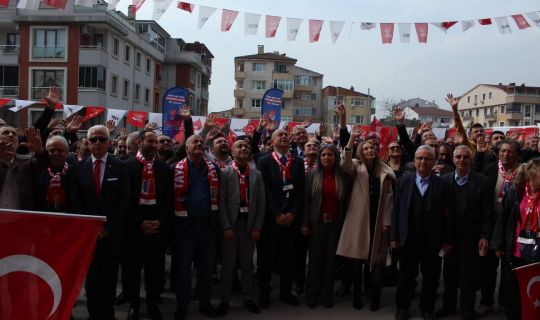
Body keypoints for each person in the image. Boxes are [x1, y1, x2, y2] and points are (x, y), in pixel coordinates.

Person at [69, 125, 130, 320]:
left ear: (109, 142)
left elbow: (125, 199)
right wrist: (91, 227)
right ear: (87, 142)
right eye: (93, 139)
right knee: (92, 279)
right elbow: (75, 199)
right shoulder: (78, 168)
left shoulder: (120, 167)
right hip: (88, 236)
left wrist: (108, 227)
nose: (97, 143)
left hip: (111, 234)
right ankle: (93, 314)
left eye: (102, 139)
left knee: (110, 278)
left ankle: (108, 314)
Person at [391, 145, 453, 320]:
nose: (423, 162)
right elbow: (396, 210)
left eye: (427, 159)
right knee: (405, 277)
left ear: (434, 162)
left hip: (433, 241)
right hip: (408, 239)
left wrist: (447, 240)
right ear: (414, 161)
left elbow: (449, 215)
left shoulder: (442, 184)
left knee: (431, 278)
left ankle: (427, 309)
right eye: (419, 158)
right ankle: (402, 307)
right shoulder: (403, 181)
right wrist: (394, 236)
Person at [337, 136, 396, 311]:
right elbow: (344, 163)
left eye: (373, 148)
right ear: (361, 152)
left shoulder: (385, 170)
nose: (370, 150)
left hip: (378, 221)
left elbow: (388, 199)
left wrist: (387, 221)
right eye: (366, 148)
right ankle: (356, 297)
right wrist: (351, 140)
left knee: (376, 263)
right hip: (358, 221)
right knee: (356, 264)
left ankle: (375, 298)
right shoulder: (356, 166)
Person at [437, 145, 494, 320]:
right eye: (459, 157)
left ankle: (467, 308)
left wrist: (485, 235)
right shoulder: (443, 181)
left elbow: (487, 212)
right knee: (449, 274)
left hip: (472, 236)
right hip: (449, 238)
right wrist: (442, 239)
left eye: (466, 157)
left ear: (471, 160)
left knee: (469, 275)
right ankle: (448, 305)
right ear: (453, 159)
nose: (462, 160)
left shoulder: (483, 182)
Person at [124, 130, 173, 320]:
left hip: (156, 227)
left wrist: (159, 221)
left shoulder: (163, 168)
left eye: (155, 142)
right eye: (150, 141)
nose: (154, 145)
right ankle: (133, 305)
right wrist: (140, 222)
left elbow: (168, 198)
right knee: (132, 269)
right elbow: (125, 199)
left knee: (155, 270)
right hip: (135, 227)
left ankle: (153, 304)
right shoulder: (127, 167)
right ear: (139, 142)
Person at [173, 134, 220, 320]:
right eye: (195, 142)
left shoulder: (213, 168)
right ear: (186, 148)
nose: (199, 144)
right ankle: (182, 305)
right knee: (183, 269)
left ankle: (205, 302)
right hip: (185, 227)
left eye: (202, 142)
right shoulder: (175, 169)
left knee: (207, 268)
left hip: (207, 226)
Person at [256, 129, 305, 308]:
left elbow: (301, 191)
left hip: (291, 220)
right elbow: (265, 190)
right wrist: (277, 213)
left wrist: (292, 213)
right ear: (273, 141)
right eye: (280, 135)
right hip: (271, 220)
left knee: (288, 258)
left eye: (286, 135)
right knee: (266, 259)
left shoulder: (298, 162)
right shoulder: (263, 161)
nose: (284, 136)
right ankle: (264, 293)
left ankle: (286, 292)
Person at [217, 140, 265, 316]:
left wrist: (257, 227)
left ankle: (248, 298)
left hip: (249, 225)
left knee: (247, 265)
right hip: (231, 225)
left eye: (246, 146)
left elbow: (261, 203)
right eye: (239, 146)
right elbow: (220, 202)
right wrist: (226, 226)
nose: (244, 148)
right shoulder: (224, 173)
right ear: (232, 152)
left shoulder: (256, 174)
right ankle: (225, 300)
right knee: (228, 266)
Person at [301, 144, 351, 309]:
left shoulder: (343, 176)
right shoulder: (311, 175)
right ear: (319, 158)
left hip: (336, 224)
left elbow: (346, 203)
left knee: (330, 262)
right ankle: (312, 295)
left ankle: (327, 295)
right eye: (323, 155)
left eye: (330, 155)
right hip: (316, 224)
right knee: (315, 261)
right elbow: (306, 202)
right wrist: (305, 224)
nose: (326, 158)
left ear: (336, 157)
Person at [491, 158, 540, 320]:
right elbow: (503, 219)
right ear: (530, 175)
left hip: (537, 252)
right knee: (512, 289)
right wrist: (498, 244)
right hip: (516, 250)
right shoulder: (515, 191)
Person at [478, 139, 521, 313]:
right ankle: (486, 301)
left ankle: (505, 300)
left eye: (510, 151)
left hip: (513, 226)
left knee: (509, 267)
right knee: (488, 266)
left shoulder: (524, 172)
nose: (505, 154)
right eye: (503, 151)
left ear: (517, 155)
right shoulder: (490, 170)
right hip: (491, 223)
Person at [0, 126, 47, 210]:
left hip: (21, 219)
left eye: (14, 134)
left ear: (18, 144)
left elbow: (45, 165)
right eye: (5, 133)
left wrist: (40, 151)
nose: (11, 135)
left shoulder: (27, 162)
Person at [34, 135, 72, 212]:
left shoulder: (76, 172)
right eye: (51, 151)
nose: (56, 153)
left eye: (60, 150)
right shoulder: (38, 171)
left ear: (67, 153)